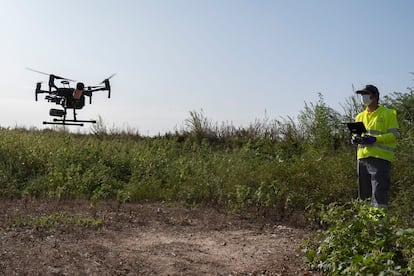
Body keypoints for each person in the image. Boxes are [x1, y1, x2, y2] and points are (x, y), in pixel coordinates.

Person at [354, 84, 399, 208]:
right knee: (364, 195)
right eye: (362, 95)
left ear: (374, 96)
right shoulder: (359, 116)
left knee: (379, 193)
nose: (363, 97)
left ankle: (379, 225)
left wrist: (376, 139)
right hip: (362, 158)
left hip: (380, 158)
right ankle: (367, 225)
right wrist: (355, 139)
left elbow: (394, 135)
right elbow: (357, 135)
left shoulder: (388, 113)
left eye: (365, 94)